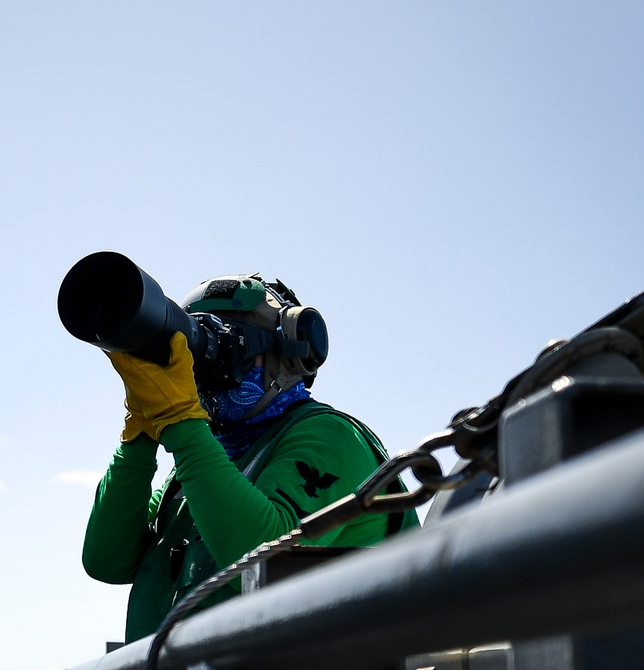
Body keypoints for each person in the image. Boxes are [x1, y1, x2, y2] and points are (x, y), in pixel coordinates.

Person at [82, 272, 417, 643]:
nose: (203, 370)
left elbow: (264, 563)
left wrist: (181, 422)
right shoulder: (202, 461)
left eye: (232, 345)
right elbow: (108, 561)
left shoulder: (331, 437)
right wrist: (140, 436)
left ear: (288, 350)